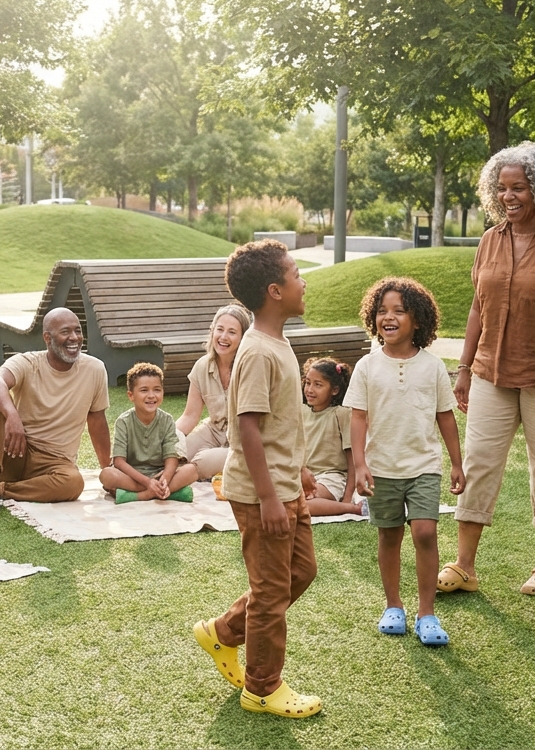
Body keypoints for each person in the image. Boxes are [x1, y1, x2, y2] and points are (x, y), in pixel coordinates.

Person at [192, 240, 322, 719]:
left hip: (286, 485)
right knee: (270, 593)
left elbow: (278, 422)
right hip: (260, 494)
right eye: (296, 274)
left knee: (300, 573)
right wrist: (268, 497)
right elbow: (245, 426)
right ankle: (262, 687)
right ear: (274, 290)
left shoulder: (279, 342)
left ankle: (224, 631)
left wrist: (300, 468)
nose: (303, 280)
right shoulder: (258, 353)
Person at [441, 141, 535, 597]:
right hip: (489, 375)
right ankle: (463, 565)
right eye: (501, 188)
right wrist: (463, 368)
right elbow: (479, 308)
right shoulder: (490, 240)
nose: (508, 196)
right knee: (478, 465)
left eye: (519, 187)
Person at [346, 278, 464, 646]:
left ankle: (427, 613)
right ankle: (393, 606)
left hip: (424, 466)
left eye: (399, 310)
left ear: (418, 319)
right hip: (381, 467)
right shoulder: (367, 366)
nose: (389, 317)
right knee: (389, 534)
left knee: (425, 532)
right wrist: (360, 465)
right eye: (382, 310)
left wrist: (457, 464)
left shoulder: (432, 367)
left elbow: (445, 416)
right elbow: (358, 418)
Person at [0, 307, 112, 518]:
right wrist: (12, 416)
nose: (74, 337)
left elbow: (96, 420)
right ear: (47, 338)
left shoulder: (95, 369)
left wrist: (107, 469)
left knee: (73, 483)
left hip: (54, 464)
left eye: (78, 330)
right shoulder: (28, 362)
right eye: (66, 332)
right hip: (15, 450)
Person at [99, 363, 197, 503]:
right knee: (106, 475)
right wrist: (147, 482)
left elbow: (171, 457)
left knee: (192, 471)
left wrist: (165, 479)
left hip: (159, 474)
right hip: (132, 476)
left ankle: (137, 495)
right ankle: (160, 493)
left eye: (157, 390)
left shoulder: (167, 420)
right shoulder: (123, 422)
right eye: (144, 390)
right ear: (131, 395)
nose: (151, 396)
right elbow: (119, 461)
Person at [175, 305, 252, 480]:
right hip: (213, 430)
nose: (223, 337)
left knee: (202, 461)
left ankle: (161, 486)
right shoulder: (202, 366)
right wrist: (167, 438)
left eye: (232, 332)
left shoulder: (249, 367)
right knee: (177, 452)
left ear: (243, 337)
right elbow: (189, 416)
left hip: (242, 439)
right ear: (212, 331)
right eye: (220, 329)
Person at [300, 357, 365, 518]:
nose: (310, 389)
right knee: (283, 500)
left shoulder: (341, 414)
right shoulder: (301, 412)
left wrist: (348, 496)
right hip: (306, 475)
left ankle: (353, 509)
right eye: (308, 383)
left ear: (334, 390)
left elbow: (352, 460)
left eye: (318, 385)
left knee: (302, 504)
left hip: (331, 477)